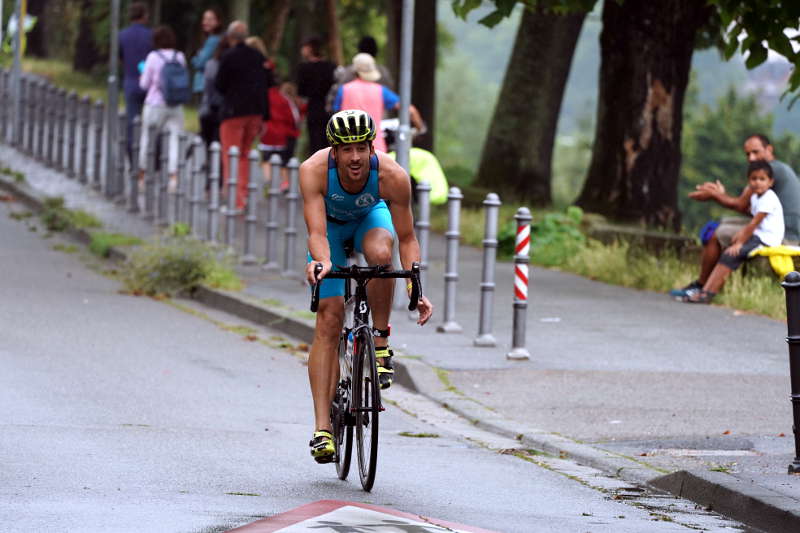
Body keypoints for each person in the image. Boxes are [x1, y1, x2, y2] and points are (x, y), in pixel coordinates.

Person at [300, 109, 433, 463]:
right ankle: (323, 428)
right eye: (347, 150)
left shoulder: (392, 175)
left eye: (362, 148)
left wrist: (413, 288)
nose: (356, 157)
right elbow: (315, 232)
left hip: (369, 220)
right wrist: (323, 263)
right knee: (328, 318)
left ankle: (381, 339)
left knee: (380, 254)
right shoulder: (313, 171)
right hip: (330, 230)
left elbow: (407, 238)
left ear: (372, 147)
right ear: (334, 152)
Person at [673, 134, 800, 298]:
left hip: (785, 233)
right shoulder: (770, 174)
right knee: (721, 223)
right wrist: (721, 195)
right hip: (772, 224)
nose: (751, 158)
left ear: (769, 150)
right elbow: (748, 208)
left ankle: (703, 286)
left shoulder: (768, 170)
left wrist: (716, 196)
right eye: (748, 154)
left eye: (756, 152)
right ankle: (705, 287)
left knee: (717, 233)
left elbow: (741, 207)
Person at [681, 161, 784, 303]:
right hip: (759, 234)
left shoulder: (769, 198)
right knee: (729, 250)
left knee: (732, 254)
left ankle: (708, 293)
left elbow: (754, 223)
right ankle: (705, 289)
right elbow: (749, 213)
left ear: (770, 182)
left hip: (768, 238)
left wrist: (740, 242)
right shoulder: (755, 197)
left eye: (762, 179)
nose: (757, 183)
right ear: (749, 181)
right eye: (754, 179)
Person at [215, 20, 270, 210]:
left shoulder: (228, 56)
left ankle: (235, 201)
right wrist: (265, 115)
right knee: (245, 154)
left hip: (233, 112)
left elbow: (219, 84)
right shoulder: (257, 56)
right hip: (255, 112)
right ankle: (244, 194)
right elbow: (265, 85)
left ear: (230, 37)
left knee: (231, 155)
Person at [332, 53, 424, 153]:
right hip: (375, 147)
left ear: (354, 70)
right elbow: (410, 110)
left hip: (347, 148)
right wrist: (420, 129)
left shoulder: (344, 90)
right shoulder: (381, 91)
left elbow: (335, 113)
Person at [138, 25, 186, 191]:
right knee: (174, 141)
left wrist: (142, 72)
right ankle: (174, 177)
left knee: (147, 139)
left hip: (155, 104)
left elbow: (144, 84)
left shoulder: (153, 57)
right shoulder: (179, 56)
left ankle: (142, 176)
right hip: (175, 104)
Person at [118, 1, 152, 164]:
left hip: (131, 81)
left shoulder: (122, 35)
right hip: (150, 84)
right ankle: (150, 157)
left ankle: (132, 157)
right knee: (151, 121)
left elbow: (120, 57)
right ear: (144, 16)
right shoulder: (151, 35)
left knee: (132, 121)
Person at [326, 35, 393, 113]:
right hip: (379, 118)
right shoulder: (383, 73)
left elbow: (334, 99)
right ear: (376, 51)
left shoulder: (347, 72)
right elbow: (391, 99)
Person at [259, 77, 303, 190]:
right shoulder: (283, 100)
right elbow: (294, 117)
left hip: (267, 132)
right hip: (282, 133)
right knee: (283, 160)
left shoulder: (264, 96)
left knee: (266, 158)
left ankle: (268, 181)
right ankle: (285, 183)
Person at [295, 37, 337, 155]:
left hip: (313, 109)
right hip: (329, 109)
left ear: (309, 49)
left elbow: (300, 94)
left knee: (315, 142)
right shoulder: (331, 67)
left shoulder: (304, 68)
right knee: (328, 141)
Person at [198, 35, 230, 150]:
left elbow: (207, 88)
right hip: (224, 111)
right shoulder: (230, 66)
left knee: (210, 145)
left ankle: (209, 164)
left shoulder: (211, 64)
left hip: (208, 109)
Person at [190, 8, 223, 104]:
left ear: (218, 22)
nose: (205, 22)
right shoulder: (215, 39)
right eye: (204, 19)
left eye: (210, 19)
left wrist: (194, 58)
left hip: (205, 84)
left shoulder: (213, 40)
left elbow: (200, 64)